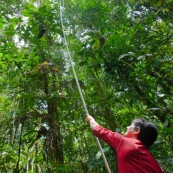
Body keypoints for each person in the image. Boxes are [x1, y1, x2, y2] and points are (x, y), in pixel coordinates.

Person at [86, 114, 164, 173]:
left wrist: (91, 120)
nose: (127, 127)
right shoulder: (154, 163)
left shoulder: (128, 144)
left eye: (131, 125)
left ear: (137, 131)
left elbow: (99, 130)